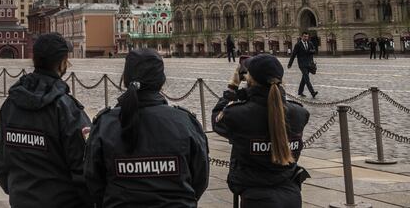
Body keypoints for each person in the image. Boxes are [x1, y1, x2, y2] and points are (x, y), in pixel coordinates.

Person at [84, 48, 209, 207]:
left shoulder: (105, 124)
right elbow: (200, 179)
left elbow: (94, 181)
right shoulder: (185, 123)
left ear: (125, 79)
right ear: (161, 81)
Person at [0, 33, 91, 208]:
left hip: (21, 201)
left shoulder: (10, 105)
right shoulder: (66, 109)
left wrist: (22, 193)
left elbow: (1, 166)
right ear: (62, 63)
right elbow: (85, 167)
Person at [212, 54, 310, 207]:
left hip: (254, 197)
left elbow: (216, 120)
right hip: (292, 195)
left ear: (250, 79)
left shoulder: (237, 114)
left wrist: (233, 88)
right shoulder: (299, 114)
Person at [287, 32, 317, 98]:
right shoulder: (298, 45)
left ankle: (300, 92)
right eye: (304, 36)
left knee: (304, 78)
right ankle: (312, 92)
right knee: (306, 78)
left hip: (309, 64)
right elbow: (293, 55)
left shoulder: (310, 43)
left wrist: (310, 51)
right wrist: (290, 64)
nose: (306, 38)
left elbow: (314, 50)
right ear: (301, 37)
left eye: (307, 36)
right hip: (302, 64)